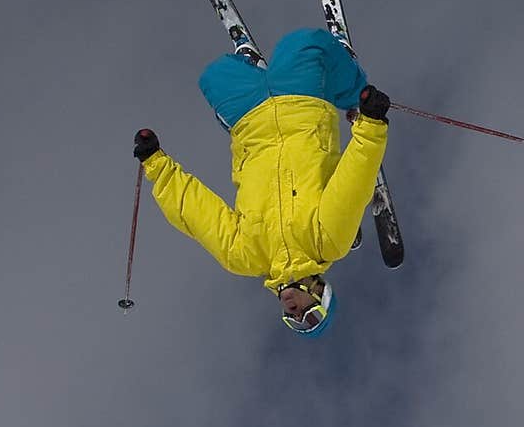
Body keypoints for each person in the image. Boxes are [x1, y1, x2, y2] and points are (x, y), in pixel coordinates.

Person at [133, 27, 391, 338]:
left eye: (291, 319)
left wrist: (156, 164)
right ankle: (349, 87)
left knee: (214, 76)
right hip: (302, 104)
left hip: (250, 120)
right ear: (321, 294)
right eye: (309, 317)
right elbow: (353, 181)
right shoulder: (327, 242)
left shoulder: (244, 256)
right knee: (306, 43)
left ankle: (251, 69)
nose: (294, 313)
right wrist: (371, 123)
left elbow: (195, 212)